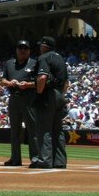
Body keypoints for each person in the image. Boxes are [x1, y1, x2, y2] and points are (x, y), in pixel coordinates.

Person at [30, 36, 69, 169]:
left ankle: (45, 160)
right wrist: (60, 96)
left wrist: (40, 94)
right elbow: (66, 83)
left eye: (41, 45)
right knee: (58, 130)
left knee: (43, 129)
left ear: (45, 46)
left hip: (48, 94)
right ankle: (60, 161)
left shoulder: (44, 57)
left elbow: (42, 77)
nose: (39, 47)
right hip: (59, 94)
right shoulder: (60, 58)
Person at [0, 40, 39, 166]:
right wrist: (10, 83)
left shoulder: (34, 63)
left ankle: (35, 157)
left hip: (29, 98)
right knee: (14, 130)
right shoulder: (10, 63)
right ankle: (15, 158)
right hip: (14, 98)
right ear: (16, 50)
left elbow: (40, 81)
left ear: (29, 51)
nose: (22, 50)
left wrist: (27, 85)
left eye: (25, 48)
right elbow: (2, 80)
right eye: (20, 48)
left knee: (32, 129)